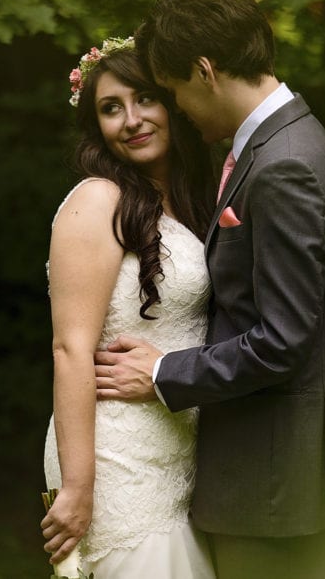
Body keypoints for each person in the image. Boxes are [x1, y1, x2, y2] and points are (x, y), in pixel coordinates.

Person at [94, 0, 325, 579]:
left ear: (204, 70)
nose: (180, 111)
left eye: (172, 91)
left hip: (274, 487)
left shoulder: (283, 166)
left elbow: (282, 342)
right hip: (280, 480)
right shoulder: (285, 143)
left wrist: (163, 371)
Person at [41, 37, 217, 578]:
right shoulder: (99, 199)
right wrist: (77, 487)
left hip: (172, 452)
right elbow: (71, 347)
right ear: (97, 127)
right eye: (110, 109)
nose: (131, 120)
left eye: (144, 99)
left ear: (171, 102)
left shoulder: (188, 201)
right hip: (116, 458)